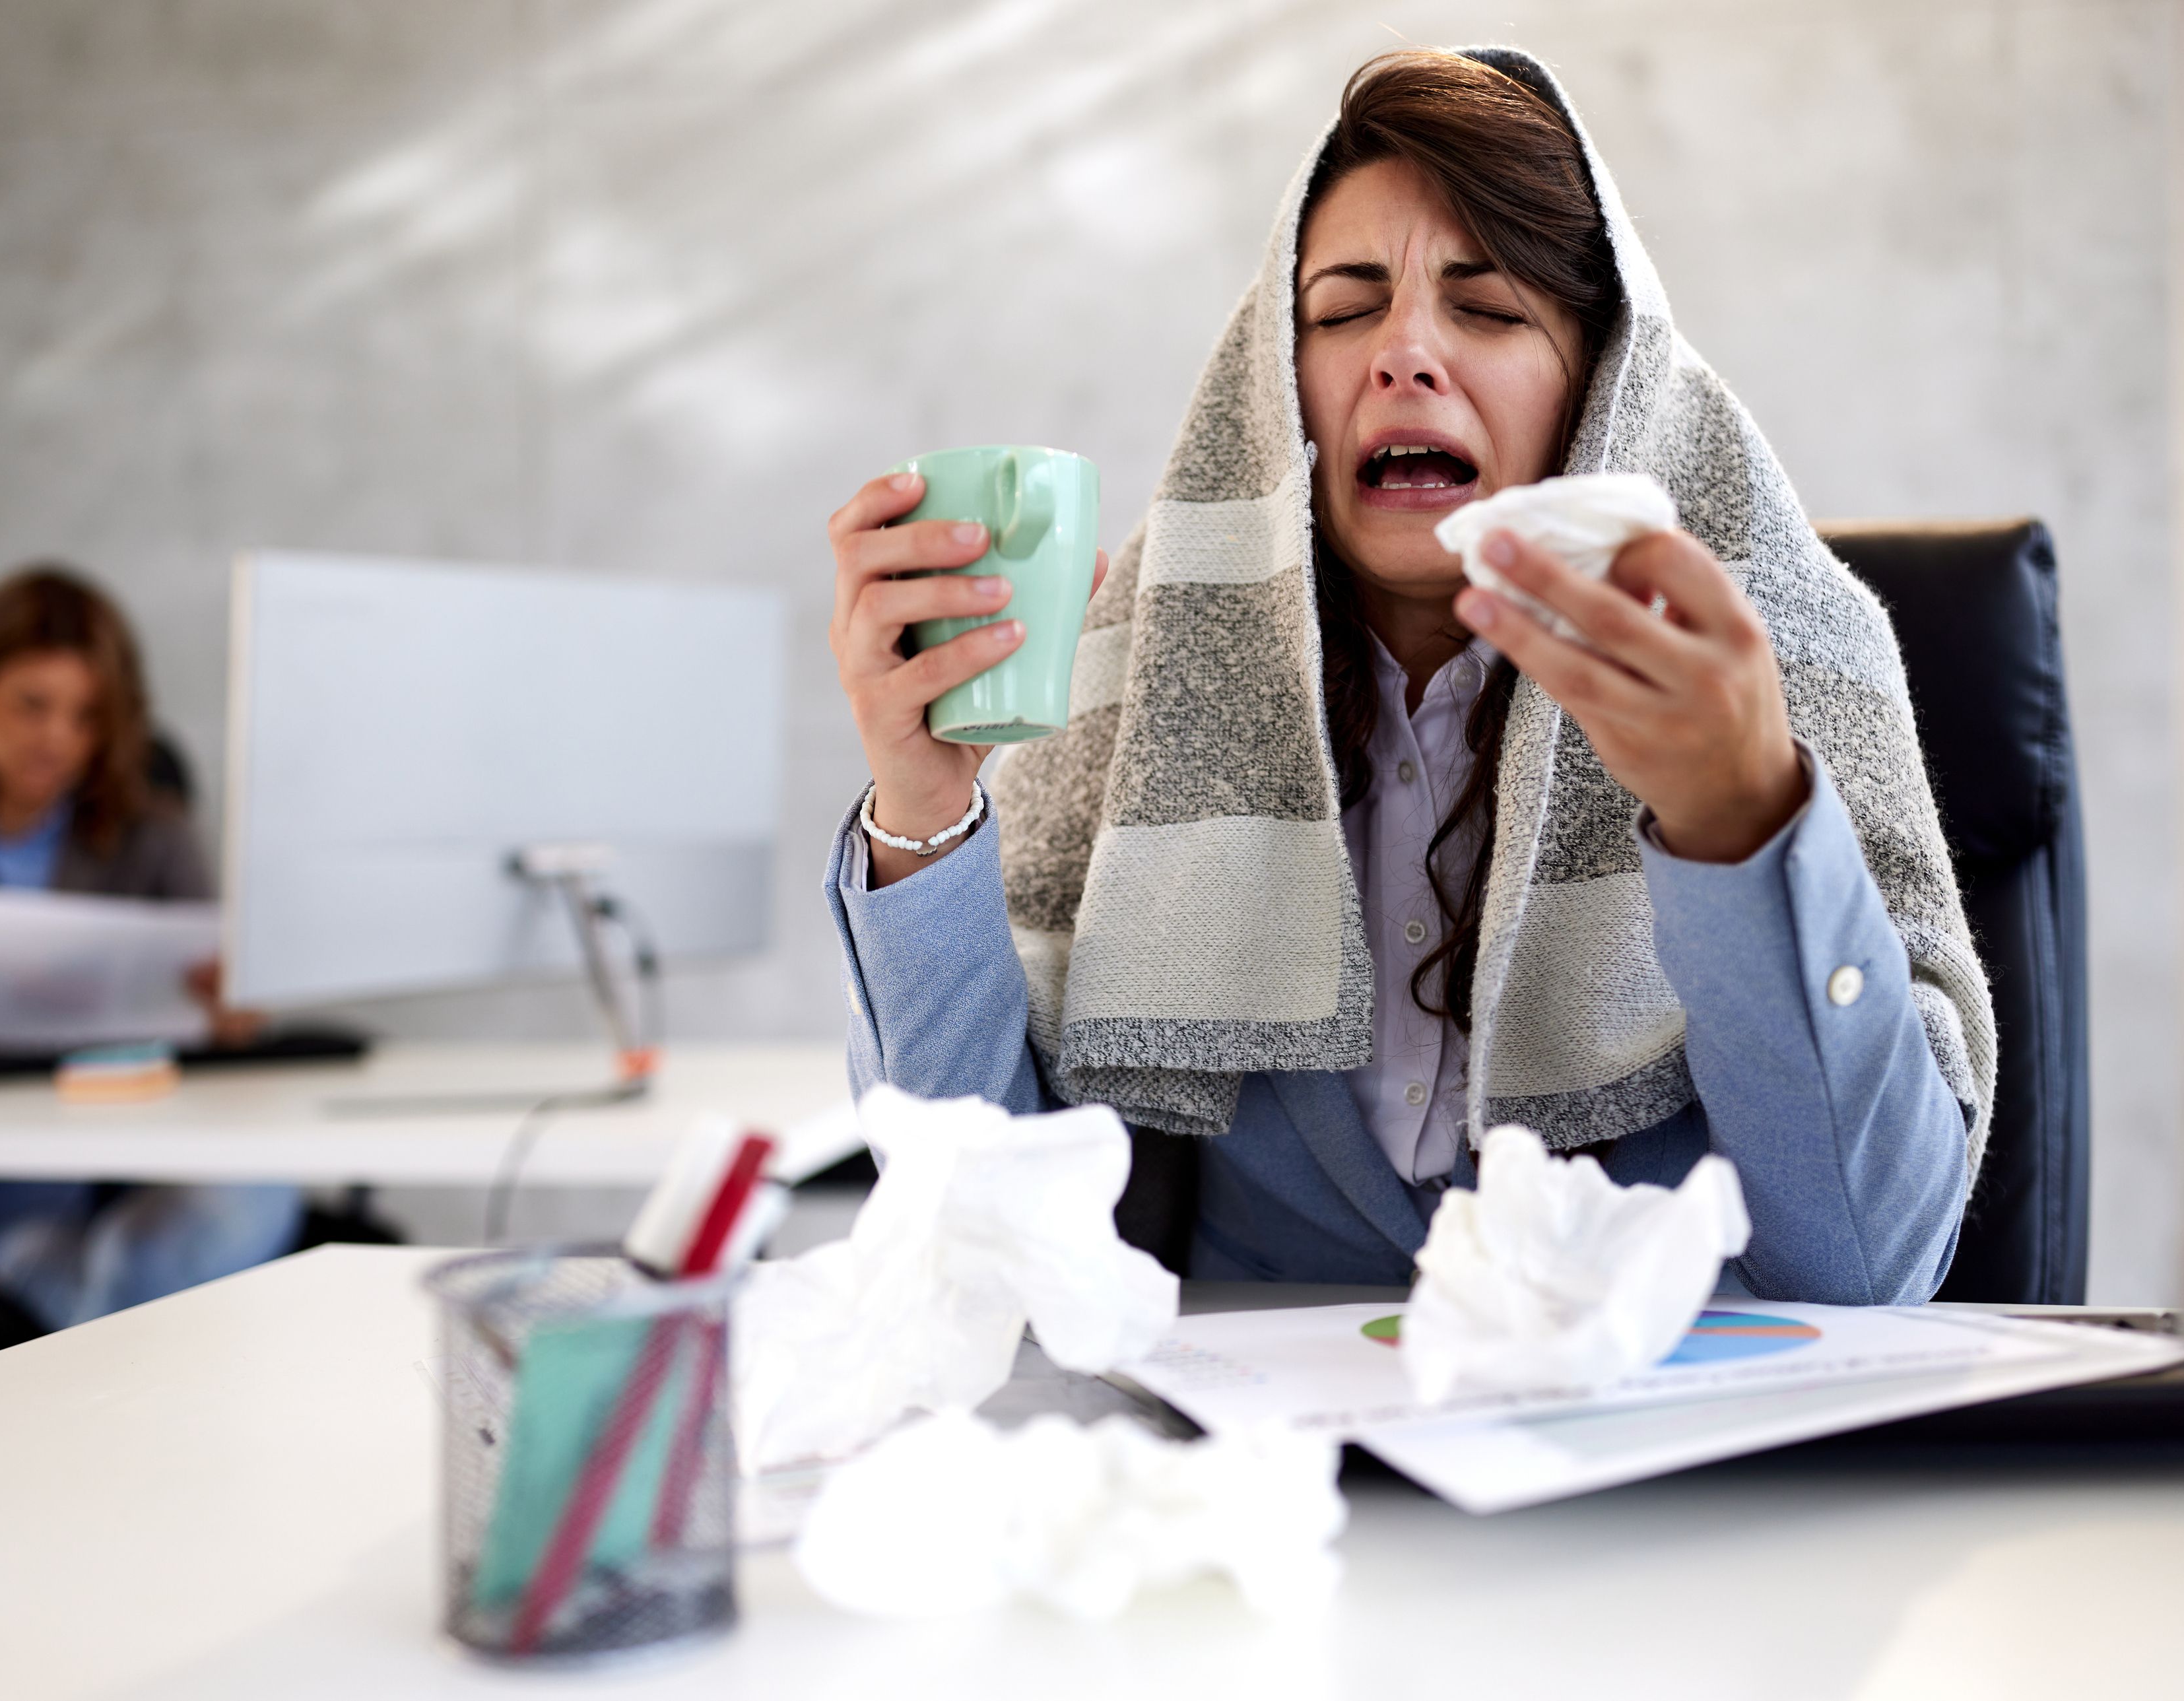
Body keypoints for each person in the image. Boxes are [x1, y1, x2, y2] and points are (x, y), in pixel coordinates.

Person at [820, 48, 1994, 1300]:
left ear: (1600, 391)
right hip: (1248, 1470)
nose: (1404, 353)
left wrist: (1739, 820)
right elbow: (969, 1240)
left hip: (1638, 1472)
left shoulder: (1769, 657)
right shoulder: (1155, 665)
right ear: (1275, 397)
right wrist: (923, 808)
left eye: (1485, 309)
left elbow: (1866, 1266)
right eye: (1340, 310)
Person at [0, 566, 302, 1331]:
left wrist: (232, 1012)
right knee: (92, 1275)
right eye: (32, 706)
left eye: (88, 716)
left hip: (142, 1129)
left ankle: (107, 1345)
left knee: (246, 1201)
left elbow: (224, 1005)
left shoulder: (155, 830)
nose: (57, 740)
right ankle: (132, 1353)